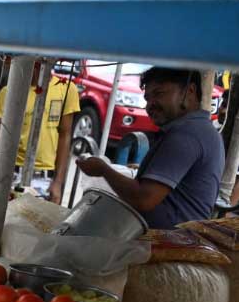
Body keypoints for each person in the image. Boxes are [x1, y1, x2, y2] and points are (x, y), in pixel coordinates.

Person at [77, 67, 224, 228]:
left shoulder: (187, 134)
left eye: (159, 94)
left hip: (171, 245)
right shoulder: (200, 129)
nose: (150, 105)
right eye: (147, 98)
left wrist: (103, 169)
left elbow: (144, 199)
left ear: (189, 91)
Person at [0, 60, 80, 204]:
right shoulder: (9, 92)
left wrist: (58, 182)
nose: (39, 65)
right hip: (12, 175)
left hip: (44, 180)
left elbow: (65, 136)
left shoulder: (66, 88)